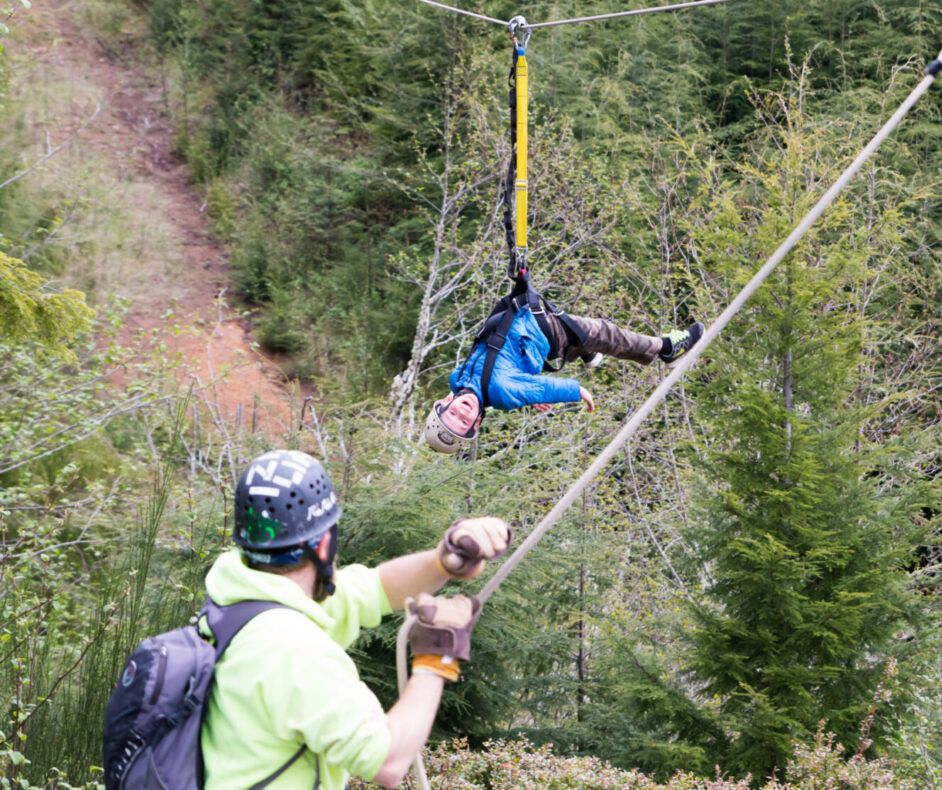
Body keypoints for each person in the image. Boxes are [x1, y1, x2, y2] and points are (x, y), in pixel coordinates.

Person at [201, 449, 512, 789]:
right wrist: (438, 653)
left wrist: (444, 560)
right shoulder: (288, 647)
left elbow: (373, 588)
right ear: (323, 545)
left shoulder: (245, 601)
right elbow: (387, 760)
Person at [424, 300, 704, 453]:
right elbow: (541, 388)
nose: (463, 412)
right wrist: (576, 392)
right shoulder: (499, 391)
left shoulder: (459, 381)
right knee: (608, 333)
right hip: (546, 330)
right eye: (465, 422)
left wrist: (524, 391)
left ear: (447, 401)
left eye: (454, 415)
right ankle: (666, 350)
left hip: (525, 322)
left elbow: (515, 378)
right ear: (478, 420)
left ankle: (586, 353)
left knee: (588, 341)